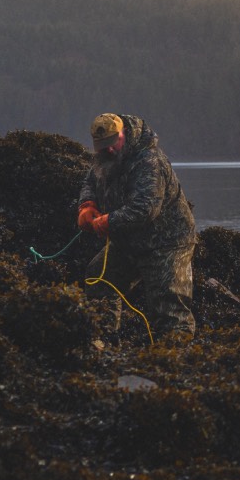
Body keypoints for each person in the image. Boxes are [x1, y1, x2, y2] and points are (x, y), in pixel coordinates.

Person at [77, 112, 197, 338]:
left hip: (166, 243)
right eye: (103, 146)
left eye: (113, 143)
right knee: (99, 280)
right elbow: (89, 181)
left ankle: (178, 362)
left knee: (168, 307)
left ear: (124, 134)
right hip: (129, 242)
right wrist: (87, 204)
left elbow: (145, 209)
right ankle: (104, 343)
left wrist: (107, 221)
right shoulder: (104, 158)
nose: (109, 149)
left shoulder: (148, 160)